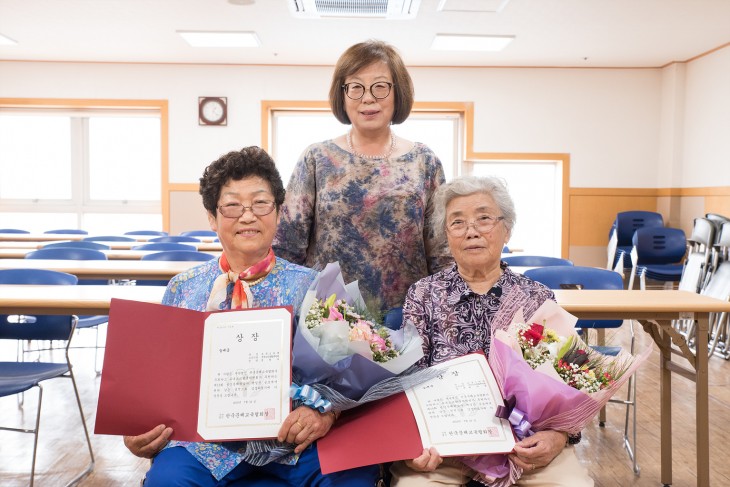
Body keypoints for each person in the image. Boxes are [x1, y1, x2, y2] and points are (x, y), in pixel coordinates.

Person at [122, 146, 379, 486]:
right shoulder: (183, 288)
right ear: (212, 217)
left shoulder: (314, 285)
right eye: (232, 206)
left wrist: (326, 412)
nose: (247, 216)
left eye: (260, 203)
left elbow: (363, 364)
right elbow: (157, 380)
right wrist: (136, 430)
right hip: (205, 446)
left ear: (277, 212)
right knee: (168, 481)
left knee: (354, 475)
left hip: (293, 440)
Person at [389, 175, 593, 486]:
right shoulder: (424, 294)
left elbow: (571, 381)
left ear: (506, 228)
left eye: (483, 219)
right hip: (445, 445)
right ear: (447, 235)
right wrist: (412, 442)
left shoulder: (537, 297)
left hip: (525, 443)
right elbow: (406, 378)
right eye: (457, 223)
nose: (471, 231)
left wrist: (558, 435)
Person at [274, 39, 451, 318]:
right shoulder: (317, 158)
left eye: (380, 86)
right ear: (342, 95)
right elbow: (286, 247)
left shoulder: (424, 161)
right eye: (356, 87)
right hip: (326, 317)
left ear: (398, 92)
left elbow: (442, 252)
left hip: (406, 315)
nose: (368, 98)